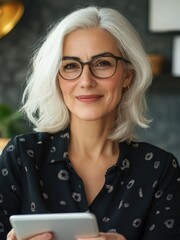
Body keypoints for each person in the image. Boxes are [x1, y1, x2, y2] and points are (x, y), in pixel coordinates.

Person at [0, 5, 180, 240]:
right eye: (71, 66)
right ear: (57, 79)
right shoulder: (22, 155)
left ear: (127, 76)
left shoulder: (160, 169)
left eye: (103, 63)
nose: (86, 80)